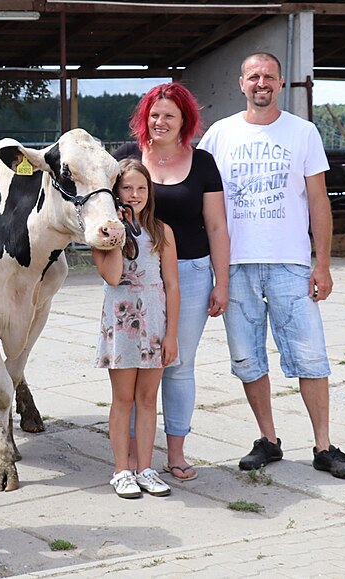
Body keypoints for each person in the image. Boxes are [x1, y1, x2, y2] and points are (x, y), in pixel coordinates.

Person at [198, 52, 345, 479]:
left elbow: (319, 203)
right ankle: (267, 440)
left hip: (290, 264)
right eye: (254, 76)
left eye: (268, 76)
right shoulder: (219, 135)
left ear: (281, 83)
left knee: (311, 357)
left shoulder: (303, 133)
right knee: (248, 359)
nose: (261, 83)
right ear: (241, 83)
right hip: (235, 267)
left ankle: (324, 446)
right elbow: (200, 197)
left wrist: (321, 264)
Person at [113, 82, 229, 482]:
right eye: (154, 114)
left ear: (185, 122)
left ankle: (175, 454)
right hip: (134, 277)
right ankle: (129, 462)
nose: (160, 122)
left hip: (192, 272)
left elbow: (216, 225)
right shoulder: (126, 159)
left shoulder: (203, 163)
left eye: (170, 116)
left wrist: (222, 281)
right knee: (131, 366)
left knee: (175, 363)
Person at [95, 159, 180, 498]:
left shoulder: (162, 231)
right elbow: (113, 276)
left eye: (141, 188)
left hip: (155, 324)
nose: (134, 194)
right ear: (116, 193)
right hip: (121, 324)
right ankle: (121, 470)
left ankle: (146, 467)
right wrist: (117, 232)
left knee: (148, 399)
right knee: (123, 398)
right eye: (127, 188)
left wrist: (171, 334)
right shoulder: (104, 234)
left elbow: (171, 284)